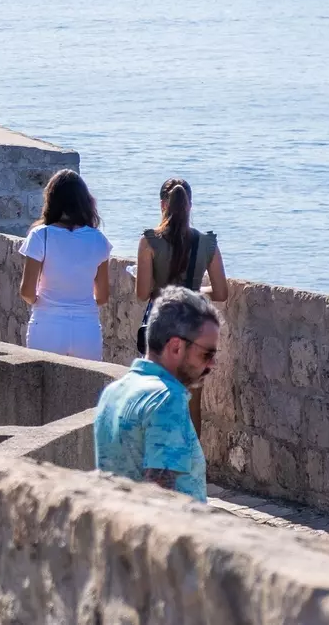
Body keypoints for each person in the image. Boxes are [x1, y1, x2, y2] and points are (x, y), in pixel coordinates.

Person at [94, 286, 220, 503]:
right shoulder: (167, 399)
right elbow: (161, 502)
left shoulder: (112, 393)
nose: (212, 364)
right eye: (206, 354)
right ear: (176, 347)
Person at [135, 178, 229, 438]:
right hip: (194, 331)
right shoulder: (206, 243)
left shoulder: (150, 242)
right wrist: (193, 291)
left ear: (162, 205)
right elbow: (221, 292)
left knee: (157, 401)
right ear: (190, 206)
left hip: (161, 332)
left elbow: (142, 293)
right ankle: (191, 471)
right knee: (192, 408)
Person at [18, 169, 111, 361]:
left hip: (46, 325)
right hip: (86, 329)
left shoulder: (40, 235)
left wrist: (43, 303)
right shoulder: (98, 240)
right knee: (87, 390)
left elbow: (27, 291)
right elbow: (102, 296)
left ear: (51, 199)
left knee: (40, 389)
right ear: (84, 201)